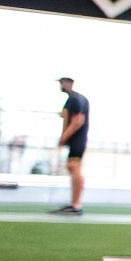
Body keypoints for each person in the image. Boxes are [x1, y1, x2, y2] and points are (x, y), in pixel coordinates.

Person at [53, 77, 89, 215]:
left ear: (68, 83)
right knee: (72, 166)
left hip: (77, 140)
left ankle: (76, 205)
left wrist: (64, 137)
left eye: (62, 82)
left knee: (74, 166)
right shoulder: (75, 99)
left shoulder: (75, 98)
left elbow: (78, 120)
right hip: (77, 140)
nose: (60, 85)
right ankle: (74, 204)